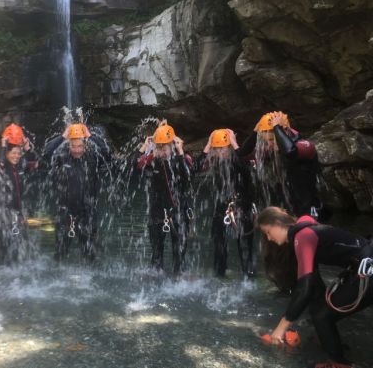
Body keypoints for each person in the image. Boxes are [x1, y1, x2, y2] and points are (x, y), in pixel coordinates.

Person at [257, 207, 373, 368]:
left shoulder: (302, 238)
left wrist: (280, 329)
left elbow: (305, 288)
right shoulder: (304, 223)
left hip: (368, 269)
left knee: (322, 316)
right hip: (364, 265)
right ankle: (331, 346)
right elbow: (313, 285)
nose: (268, 238)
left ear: (277, 223)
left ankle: (340, 364)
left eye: (268, 232)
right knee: (320, 312)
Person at [238, 111, 325, 220]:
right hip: (287, 208)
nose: (270, 144)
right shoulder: (269, 150)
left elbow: (290, 152)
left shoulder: (304, 146)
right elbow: (242, 154)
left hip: (310, 209)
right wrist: (255, 131)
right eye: (267, 141)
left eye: (272, 140)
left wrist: (276, 127)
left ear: (284, 133)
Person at [44, 123, 110, 262]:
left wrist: (89, 135)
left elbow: (106, 151)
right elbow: (47, 152)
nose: (77, 150)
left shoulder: (92, 158)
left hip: (87, 213)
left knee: (89, 254)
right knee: (60, 253)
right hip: (64, 213)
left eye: (80, 146)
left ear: (85, 145)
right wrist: (63, 136)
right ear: (69, 145)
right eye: (73, 146)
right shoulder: (61, 158)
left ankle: (89, 280)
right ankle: (59, 279)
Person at [195, 129, 255, 277]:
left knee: (245, 245)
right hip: (222, 206)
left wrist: (234, 144)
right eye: (217, 149)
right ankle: (219, 274)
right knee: (219, 243)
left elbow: (247, 172)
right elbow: (195, 168)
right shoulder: (215, 161)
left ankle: (249, 275)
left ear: (229, 148)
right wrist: (208, 146)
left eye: (223, 149)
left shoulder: (239, 160)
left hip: (242, 206)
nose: (220, 152)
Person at [136, 120, 192, 273]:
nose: (163, 152)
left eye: (165, 147)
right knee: (156, 256)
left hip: (178, 211)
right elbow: (135, 167)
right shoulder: (152, 161)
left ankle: (179, 281)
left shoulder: (183, 158)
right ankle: (155, 282)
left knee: (179, 256)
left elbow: (187, 177)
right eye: (159, 147)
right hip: (157, 212)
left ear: (173, 145)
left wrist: (180, 152)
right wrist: (144, 148)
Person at [0, 123, 38, 264]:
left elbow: (36, 163)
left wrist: (27, 149)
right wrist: (2, 146)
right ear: (6, 154)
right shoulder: (1, 167)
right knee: (2, 253)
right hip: (2, 215)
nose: (17, 156)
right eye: (13, 153)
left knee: (21, 252)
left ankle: (18, 276)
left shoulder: (21, 166)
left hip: (19, 215)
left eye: (19, 153)